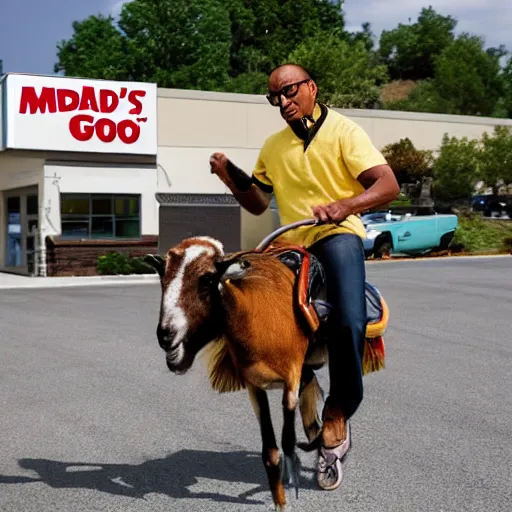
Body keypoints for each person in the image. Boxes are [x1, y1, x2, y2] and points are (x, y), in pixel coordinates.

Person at [209, 63, 399, 491]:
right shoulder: (273, 146)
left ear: (312, 87)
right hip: (289, 244)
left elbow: (388, 186)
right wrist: (229, 175)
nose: (283, 101)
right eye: (275, 96)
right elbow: (257, 202)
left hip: (336, 236)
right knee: (246, 302)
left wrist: (346, 205)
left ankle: (338, 412)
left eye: (290, 91)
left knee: (349, 319)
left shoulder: (345, 132)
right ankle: (299, 373)